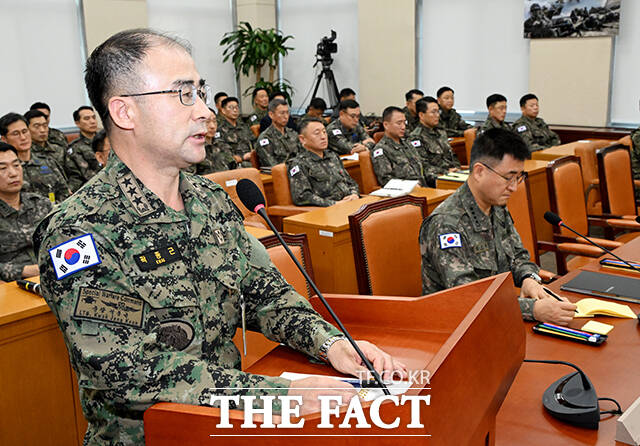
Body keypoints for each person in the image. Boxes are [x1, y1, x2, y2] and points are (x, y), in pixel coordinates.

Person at [34, 29, 405, 445]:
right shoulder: (80, 232)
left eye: (201, 92)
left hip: (232, 429)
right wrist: (279, 398)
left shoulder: (210, 200)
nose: (204, 112)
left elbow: (265, 293)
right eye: (183, 95)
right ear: (124, 112)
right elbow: (125, 368)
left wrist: (331, 344)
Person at [420, 128, 577, 325]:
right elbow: (468, 297)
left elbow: (518, 256)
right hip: (455, 326)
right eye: (508, 177)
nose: (514, 187)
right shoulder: (447, 223)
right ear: (479, 172)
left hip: (498, 315)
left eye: (518, 177)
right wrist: (533, 309)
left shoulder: (495, 206)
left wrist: (529, 278)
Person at [0, 142, 52, 282]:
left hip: (53, 280)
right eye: (2, 168)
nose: (13, 173)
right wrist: (24, 271)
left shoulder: (41, 204)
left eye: (16, 165)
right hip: (11, 288)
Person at [287, 117, 360, 206]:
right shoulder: (299, 164)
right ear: (303, 139)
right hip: (329, 211)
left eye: (324, 132)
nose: (323, 137)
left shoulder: (333, 156)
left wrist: (354, 194)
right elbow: (303, 196)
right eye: (317, 133)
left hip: (349, 203)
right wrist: (334, 204)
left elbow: (351, 182)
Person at [0, 112, 71, 203]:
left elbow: (65, 193)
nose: (23, 137)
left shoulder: (49, 162)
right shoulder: (6, 170)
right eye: (16, 134)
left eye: (25, 131)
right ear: (4, 139)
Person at [25, 109, 84, 191]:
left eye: (45, 126)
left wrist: (69, 189)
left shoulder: (59, 150)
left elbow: (75, 175)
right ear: (27, 129)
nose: (42, 130)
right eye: (37, 126)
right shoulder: (26, 153)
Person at [409, 97, 461, 187]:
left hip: (453, 175)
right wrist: (446, 172)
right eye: (433, 112)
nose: (437, 115)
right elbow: (423, 167)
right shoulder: (416, 138)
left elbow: (452, 156)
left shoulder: (441, 132)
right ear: (421, 115)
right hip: (436, 180)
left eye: (438, 111)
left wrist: (457, 169)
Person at [371, 106, 425, 187]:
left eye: (404, 123)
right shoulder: (381, 150)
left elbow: (422, 167)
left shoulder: (407, 144)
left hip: (424, 187)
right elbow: (386, 180)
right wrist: (409, 186)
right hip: (407, 192)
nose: (403, 127)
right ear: (386, 125)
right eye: (399, 123)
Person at [256, 98, 299, 167]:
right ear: (271, 115)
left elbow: (303, 154)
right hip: (279, 174)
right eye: (282, 113)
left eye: (287, 113)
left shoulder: (292, 133)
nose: (286, 117)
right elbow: (272, 165)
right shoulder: (265, 138)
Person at [217, 96, 255, 166]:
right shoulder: (219, 130)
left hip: (251, 159)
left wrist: (253, 152)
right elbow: (224, 151)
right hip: (235, 164)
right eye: (231, 108)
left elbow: (254, 141)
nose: (235, 110)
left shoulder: (244, 126)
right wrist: (242, 157)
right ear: (223, 110)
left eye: (237, 107)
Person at [69, 106, 102, 183]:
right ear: (78, 123)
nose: (92, 121)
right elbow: (87, 174)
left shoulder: (106, 141)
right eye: (87, 119)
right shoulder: (75, 147)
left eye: (94, 117)